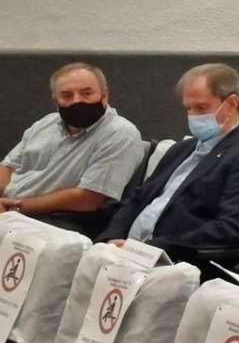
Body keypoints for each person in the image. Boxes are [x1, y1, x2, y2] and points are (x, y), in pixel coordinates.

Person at [101, 64, 239, 258]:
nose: (193, 116)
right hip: (125, 252)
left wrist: (149, 249)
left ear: (231, 104)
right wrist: (111, 238)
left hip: (175, 259)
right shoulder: (181, 149)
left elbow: (232, 229)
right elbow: (138, 198)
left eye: (201, 108)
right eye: (189, 108)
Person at [0, 63, 145, 227]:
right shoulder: (45, 123)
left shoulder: (120, 133)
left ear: (104, 96)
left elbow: (89, 199)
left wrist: (15, 208)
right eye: (67, 95)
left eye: (86, 93)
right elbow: (8, 167)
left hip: (57, 220)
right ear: (56, 101)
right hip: (10, 212)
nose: (77, 101)